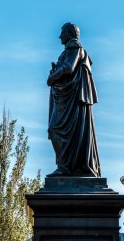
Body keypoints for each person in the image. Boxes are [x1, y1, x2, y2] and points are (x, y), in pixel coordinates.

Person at [46, 22, 101, 177]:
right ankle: (65, 166)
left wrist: (52, 77)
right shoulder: (71, 50)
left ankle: (64, 167)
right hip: (67, 98)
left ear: (69, 34)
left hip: (73, 100)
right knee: (67, 132)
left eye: (62, 32)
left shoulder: (75, 49)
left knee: (55, 129)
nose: (59, 36)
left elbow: (69, 68)